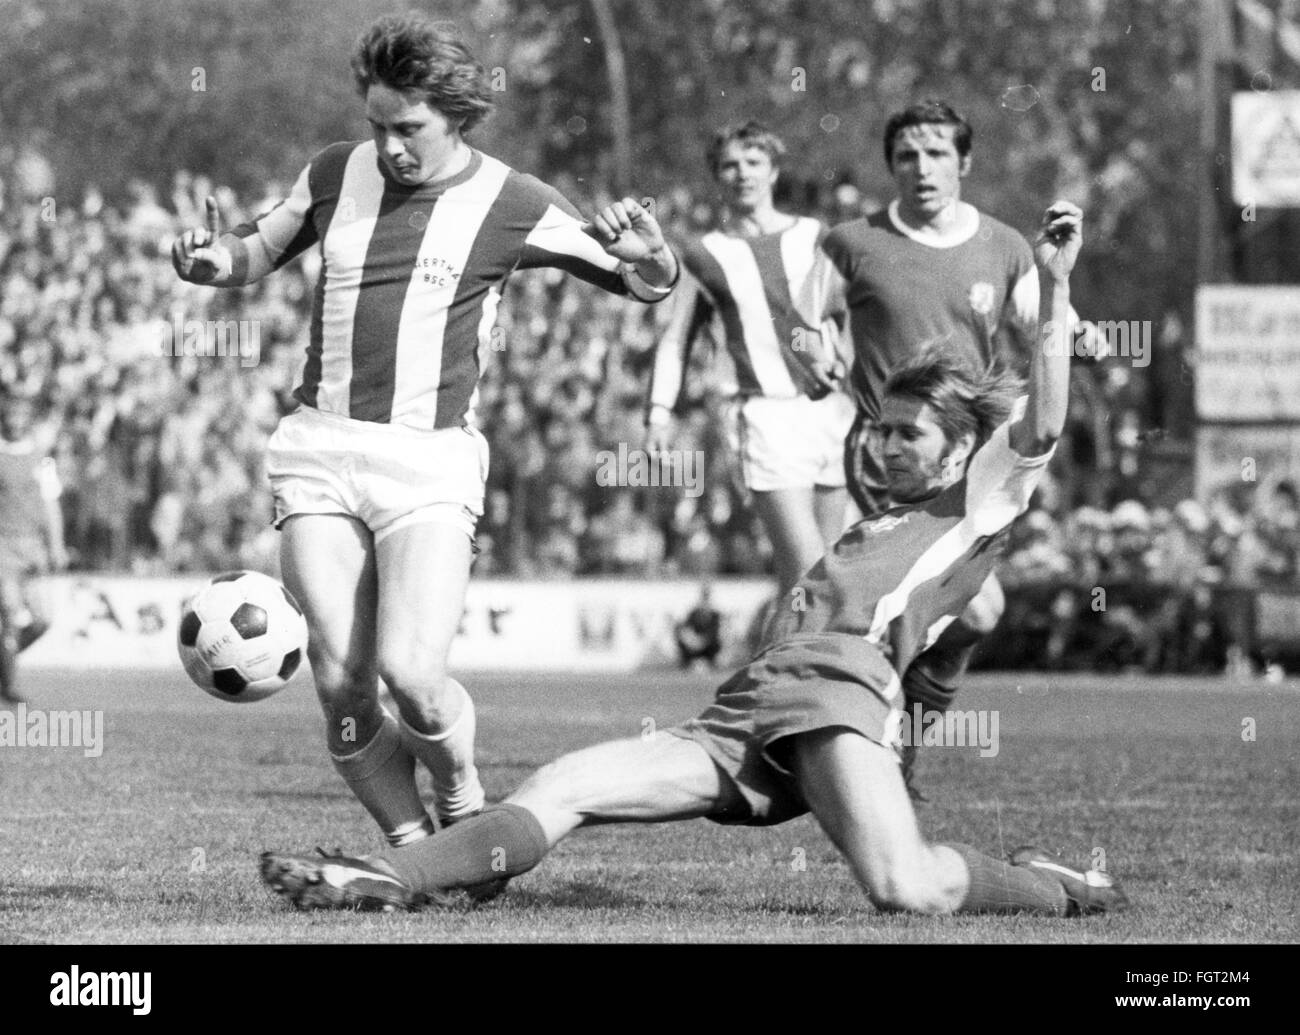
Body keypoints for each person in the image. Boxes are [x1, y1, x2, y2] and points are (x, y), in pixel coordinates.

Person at [261, 202, 1130, 919]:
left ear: (958, 453)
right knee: (561, 786)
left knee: (907, 887)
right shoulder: (881, 509)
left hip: (836, 690)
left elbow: (1043, 425)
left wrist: (1053, 288)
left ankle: (1054, 888)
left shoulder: (977, 495)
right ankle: (390, 877)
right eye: (886, 429)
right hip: (750, 702)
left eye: (911, 436)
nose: (890, 447)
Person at [171, 14, 678, 846]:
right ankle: (416, 856)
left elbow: (643, 283)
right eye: (378, 125)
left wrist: (654, 256)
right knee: (340, 680)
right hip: (321, 449)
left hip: (428, 465)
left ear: (458, 117)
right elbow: (250, 253)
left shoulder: (514, 201)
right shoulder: (337, 173)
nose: (391, 146)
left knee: (412, 675)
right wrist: (206, 262)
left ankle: (461, 793)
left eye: (409, 129)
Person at [821, 99, 1077, 795]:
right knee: (909, 606)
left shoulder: (1003, 246)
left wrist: (1082, 332)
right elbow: (808, 322)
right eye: (906, 154)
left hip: (970, 458)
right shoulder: (850, 244)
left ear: (964, 162)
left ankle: (889, 741)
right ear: (891, 166)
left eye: (936, 153)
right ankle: (863, 752)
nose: (921, 167)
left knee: (976, 611)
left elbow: (1047, 320)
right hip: (891, 455)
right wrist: (813, 348)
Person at [645, 121, 854, 598]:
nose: (743, 174)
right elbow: (675, 341)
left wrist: (849, 371)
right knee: (810, 571)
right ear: (717, 176)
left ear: (774, 171)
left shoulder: (815, 236)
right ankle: (795, 671)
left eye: (754, 162)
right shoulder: (705, 255)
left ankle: (793, 669)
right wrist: (659, 414)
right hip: (762, 413)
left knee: (828, 573)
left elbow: (845, 318)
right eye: (730, 165)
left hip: (830, 411)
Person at [0, 392, 66, 705]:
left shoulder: (42, 457)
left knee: (43, 620)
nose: (14, 420)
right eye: (9, 415)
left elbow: (51, 503)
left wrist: (57, 545)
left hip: (34, 548)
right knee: (10, 618)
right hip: (3, 547)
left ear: (28, 419)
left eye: (20, 414)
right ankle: (8, 685)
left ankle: (3, 665)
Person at [675, 583, 722, 670]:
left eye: (707, 595)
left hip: (708, 645)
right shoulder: (693, 613)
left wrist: (703, 641)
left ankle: (709, 662)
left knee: (716, 643)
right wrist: (694, 641)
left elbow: (715, 634)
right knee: (681, 636)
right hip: (694, 644)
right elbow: (685, 630)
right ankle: (688, 663)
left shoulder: (715, 615)